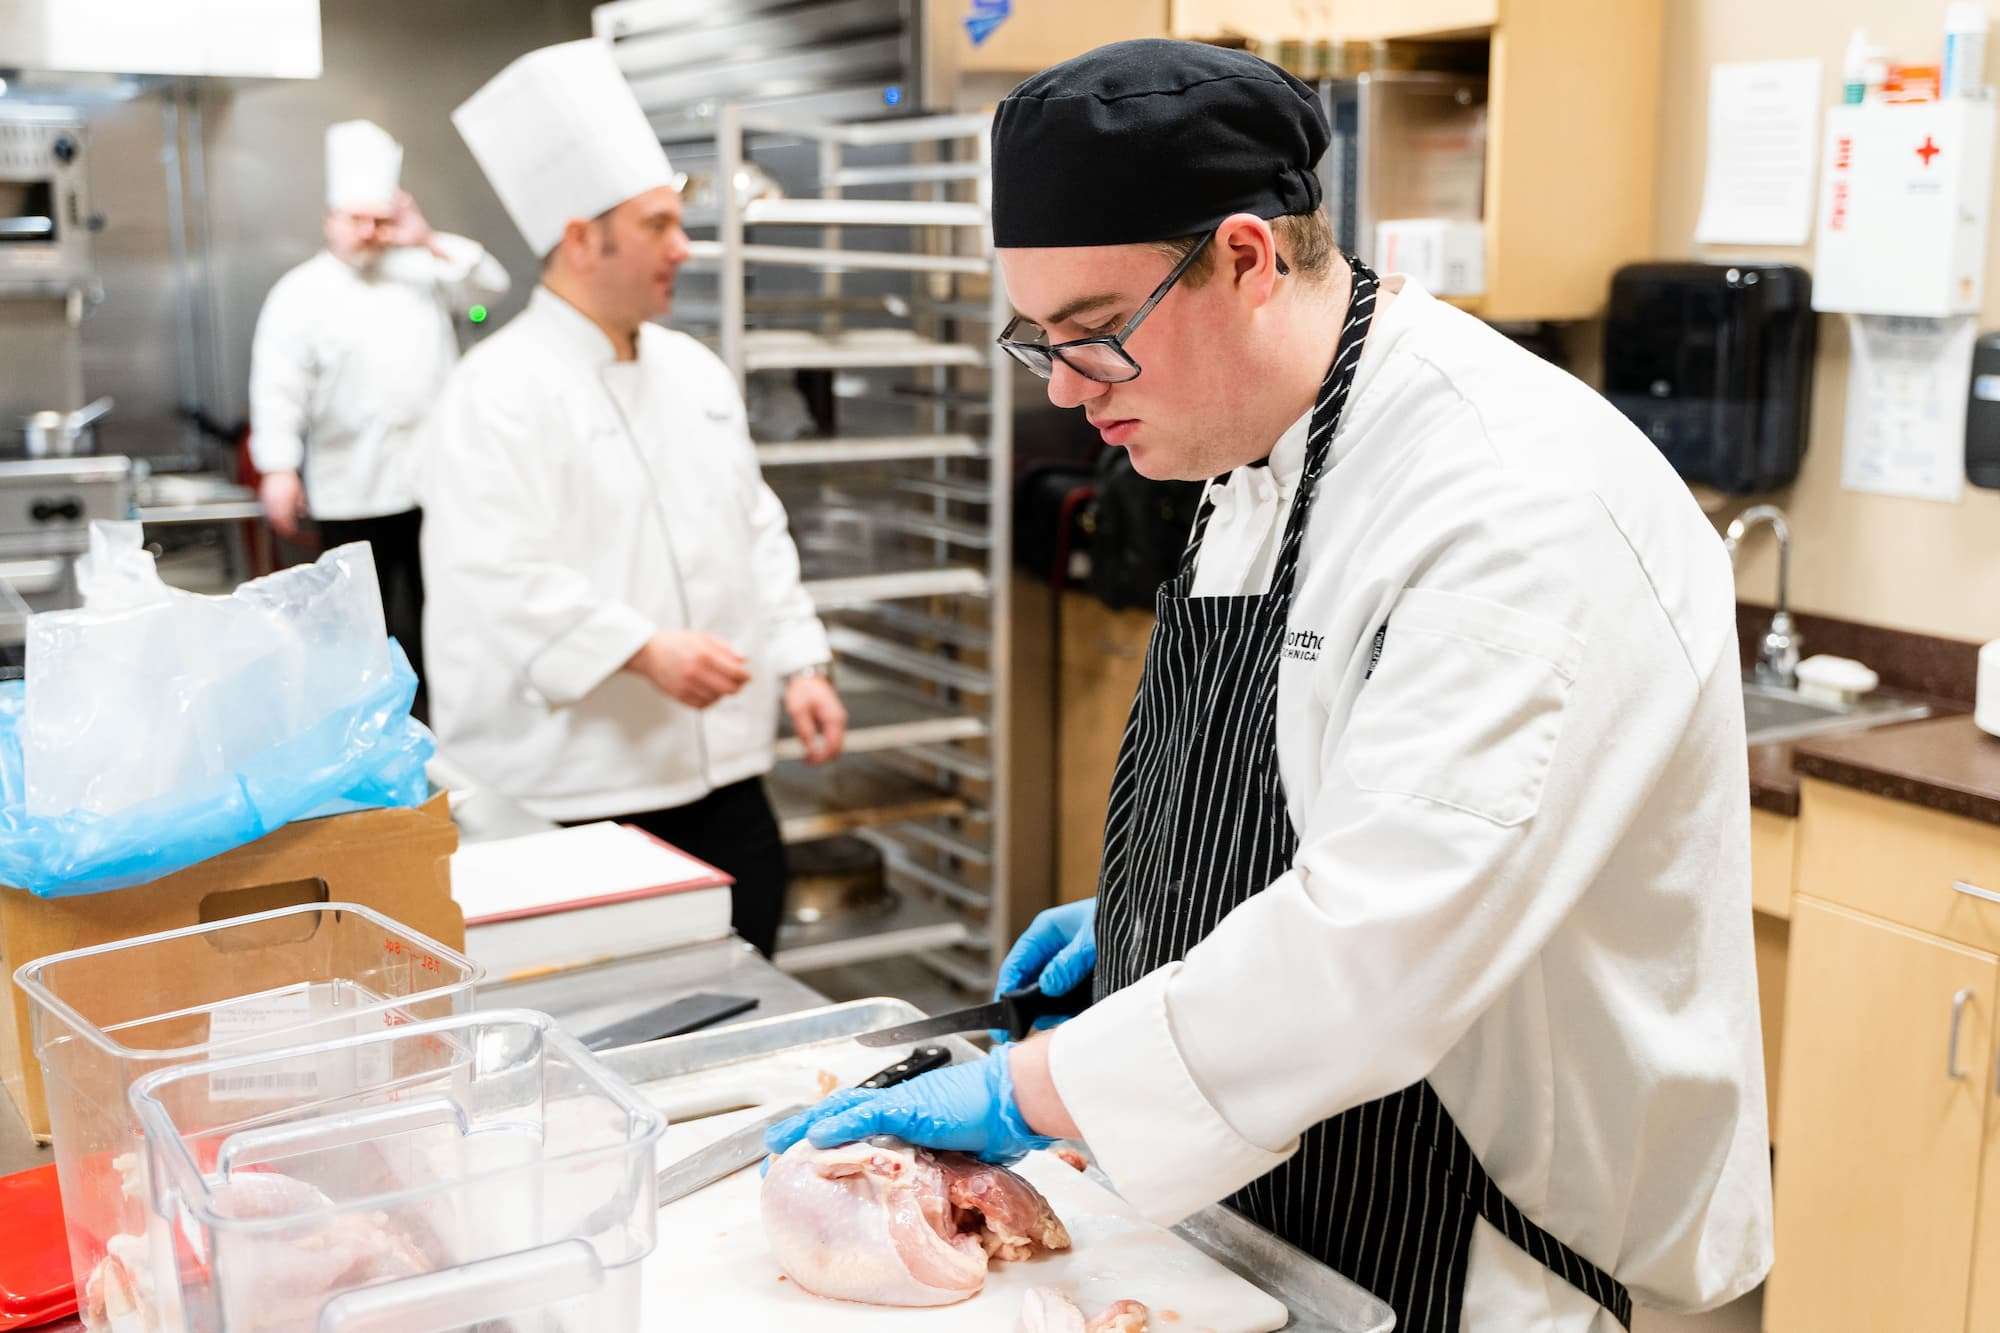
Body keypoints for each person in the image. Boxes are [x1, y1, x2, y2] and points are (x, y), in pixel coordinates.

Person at [768, 39, 1772, 1331]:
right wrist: (1156, 920)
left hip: (1491, 1227)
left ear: (1245, 259)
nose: (1072, 391)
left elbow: (1385, 937)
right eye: (1041, 342)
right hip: (1286, 1177)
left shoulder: (1512, 500)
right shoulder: (1257, 438)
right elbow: (1319, 776)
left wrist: (1033, 1090)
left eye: (1094, 336)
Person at [426, 40, 846, 958]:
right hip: (578, 793)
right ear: (582, 239)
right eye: (657, 224)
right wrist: (641, 649)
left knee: (747, 985)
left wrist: (802, 661)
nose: (682, 247)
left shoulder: (693, 370)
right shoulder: (495, 389)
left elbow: (755, 526)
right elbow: (489, 573)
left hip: (727, 774)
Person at [249, 120, 510, 715]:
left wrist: (426, 238)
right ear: (330, 220)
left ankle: (446, 733)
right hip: (348, 485)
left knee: (440, 616)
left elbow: (490, 287)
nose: (368, 233)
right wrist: (279, 469)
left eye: (380, 220)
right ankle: (375, 733)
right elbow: (277, 387)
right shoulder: (300, 293)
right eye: (356, 219)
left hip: (432, 484)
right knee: (361, 626)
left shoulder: (423, 275)